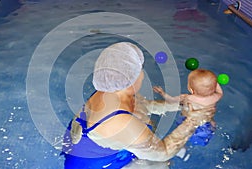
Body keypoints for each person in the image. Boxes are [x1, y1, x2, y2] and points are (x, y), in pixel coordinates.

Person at [61, 42, 215, 169]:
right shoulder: (119, 122)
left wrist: (181, 105)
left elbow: (146, 106)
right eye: (140, 69)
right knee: (160, 164)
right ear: (132, 77)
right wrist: (193, 120)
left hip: (87, 153)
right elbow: (164, 152)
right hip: (94, 166)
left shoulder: (111, 91)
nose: (142, 74)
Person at [153, 69, 223, 146]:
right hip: (206, 124)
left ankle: (182, 148)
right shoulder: (215, 97)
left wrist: (162, 93)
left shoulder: (187, 98)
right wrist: (215, 83)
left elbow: (171, 100)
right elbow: (220, 92)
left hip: (188, 122)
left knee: (182, 138)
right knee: (210, 127)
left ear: (191, 90)